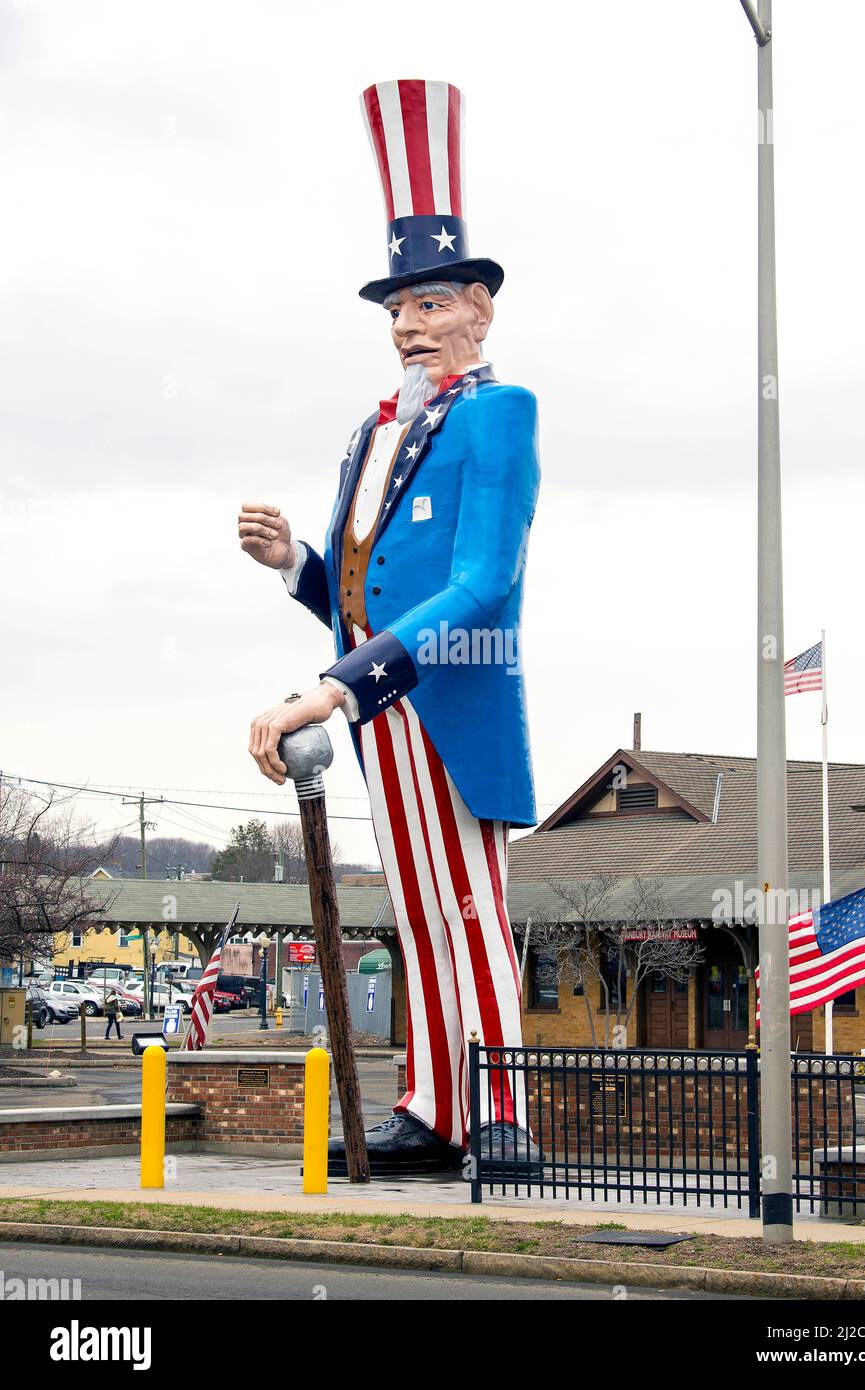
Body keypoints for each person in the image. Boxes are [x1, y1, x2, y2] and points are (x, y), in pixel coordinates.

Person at [239, 80, 539, 1175]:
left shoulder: (499, 416)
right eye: (396, 311)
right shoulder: (367, 441)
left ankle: (501, 1111)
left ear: (479, 307)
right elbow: (357, 589)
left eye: (428, 305)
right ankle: (431, 1102)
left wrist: (332, 687)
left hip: (446, 695)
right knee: (414, 915)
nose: (409, 327)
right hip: (383, 706)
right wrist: (297, 568)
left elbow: (480, 586)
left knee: (469, 907)